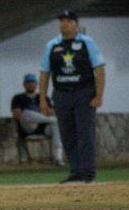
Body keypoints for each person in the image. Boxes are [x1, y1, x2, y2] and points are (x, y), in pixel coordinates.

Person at [38, 10, 106, 185]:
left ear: (76, 24)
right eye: (62, 21)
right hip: (61, 94)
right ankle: (75, 171)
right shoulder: (52, 45)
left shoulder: (86, 43)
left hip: (84, 93)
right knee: (67, 134)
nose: (64, 24)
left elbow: (99, 68)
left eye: (68, 21)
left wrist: (99, 95)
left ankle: (88, 173)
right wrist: (43, 99)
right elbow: (44, 73)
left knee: (85, 133)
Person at [10, 73, 63, 164]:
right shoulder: (18, 98)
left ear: (36, 84)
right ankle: (52, 120)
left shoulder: (43, 97)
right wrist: (42, 114)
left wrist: (45, 114)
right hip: (28, 127)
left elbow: (52, 111)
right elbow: (17, 114)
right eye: (28, 83)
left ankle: (58, 158)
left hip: (44, 127)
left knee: (56, 125)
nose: (31, 84)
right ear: (24, 85)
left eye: (33, 82)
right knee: (27, 113)